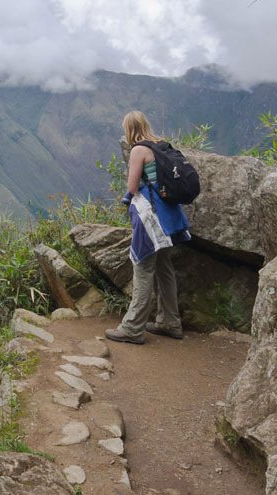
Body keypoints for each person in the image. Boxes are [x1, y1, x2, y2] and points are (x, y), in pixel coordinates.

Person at [104, 111, 190, 345]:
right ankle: (170, 321)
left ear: (129, 129)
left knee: (142, 267)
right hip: (169, 216)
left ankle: (132, 328)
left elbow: (132, 187)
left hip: (150, 217)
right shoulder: (161, 145)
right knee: (164, 267)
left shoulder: (138, 150)